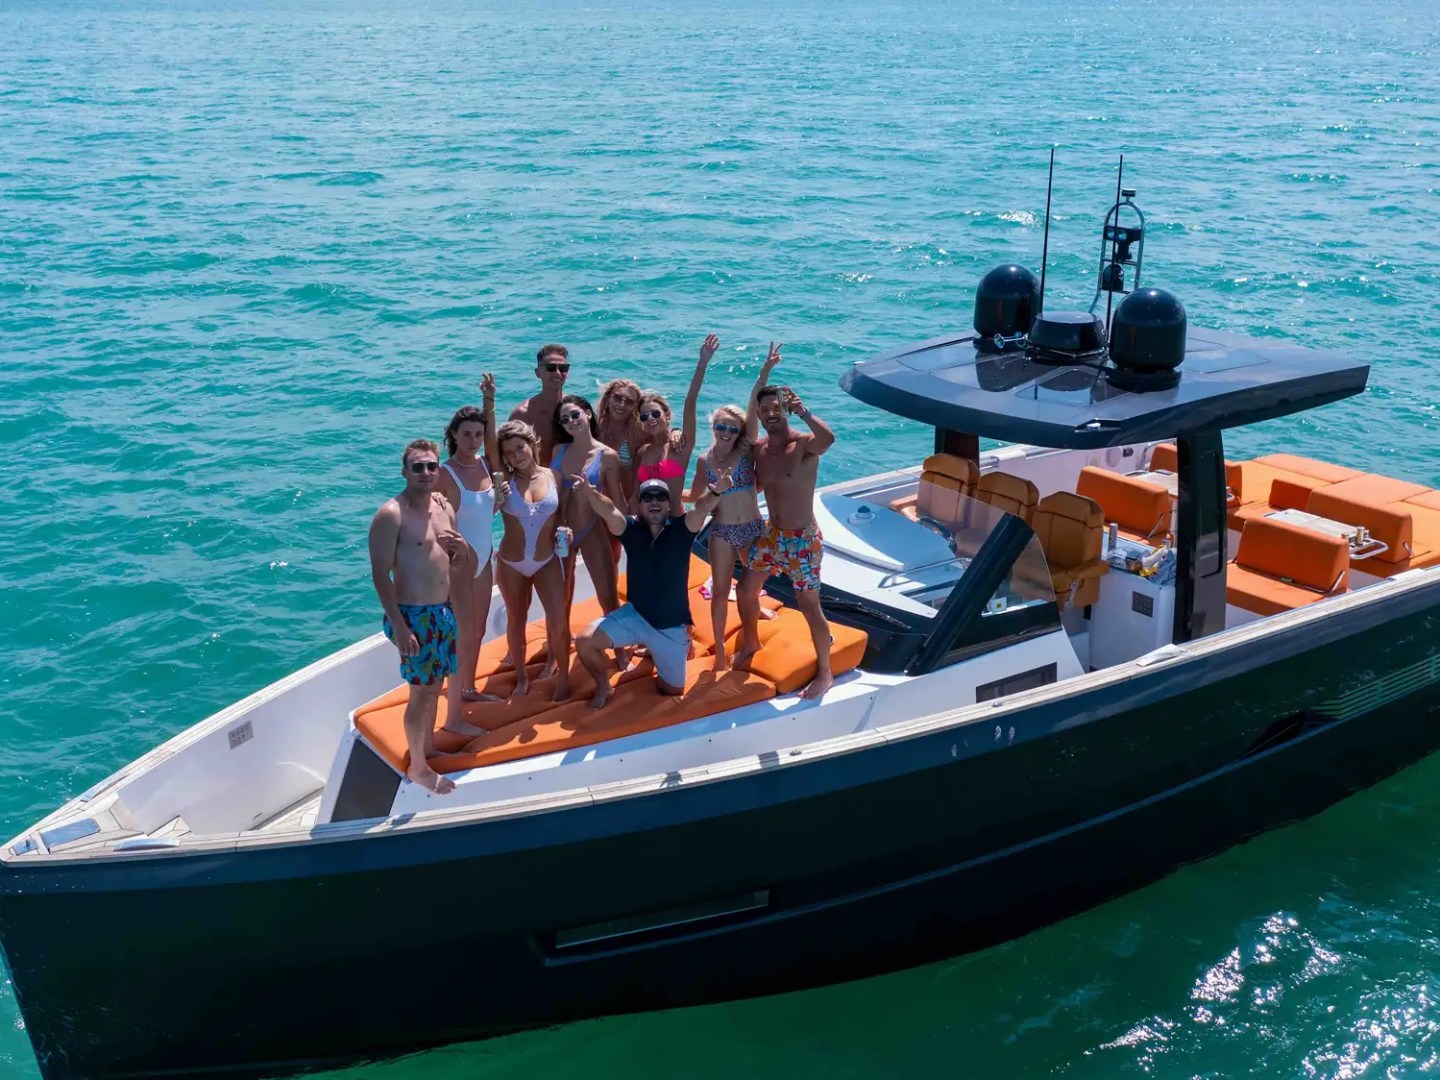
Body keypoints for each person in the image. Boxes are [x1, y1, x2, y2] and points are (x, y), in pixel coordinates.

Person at [572, 473, 735, 709]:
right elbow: (609, 511)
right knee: (585, 642)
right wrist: (590, 493)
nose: (654, 502)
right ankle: (604, 685)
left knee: (673, 691)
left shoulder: (682, 529)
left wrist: (717, 491)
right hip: (636, 617)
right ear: (640, 505)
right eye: (648, 498)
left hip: (670, 627)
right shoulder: (630, 529)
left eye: (660, 497)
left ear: (669, 504)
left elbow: (700, 509)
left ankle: (663, 649)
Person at [367, 439, 473, 794]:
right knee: (421, 693)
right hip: (413, 616)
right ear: (405, 472)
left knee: (436, 685)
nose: (426, 473)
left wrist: (461, 552)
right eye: (418, 467)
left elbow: (454, 561)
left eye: (431, 466)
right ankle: (419, 768)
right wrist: (399, 626)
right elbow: (380, 574)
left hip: (442, 611)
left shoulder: (443, 507)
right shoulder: (391, 515)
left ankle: (426, 747)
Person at [733, 370, 837, 700]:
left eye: (776, 407)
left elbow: (828, 439)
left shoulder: (803, 445)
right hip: (772, 535)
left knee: (809, 604)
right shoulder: (761, 452)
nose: (770, 413)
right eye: (764, 409)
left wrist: (804, 411)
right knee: (746, 588)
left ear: (785, 408)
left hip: (803, 540)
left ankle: (825, 672)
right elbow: (751, 486)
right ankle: (751, 639)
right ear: (760, 414)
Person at [686, 342, 781, 671]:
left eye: (731, 428)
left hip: (754, 529)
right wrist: (709, 490)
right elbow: (698, 500)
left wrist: (766, 370)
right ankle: (722, 655)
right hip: (723, 532)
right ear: (713, 428)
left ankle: (754, 621)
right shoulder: (704, 461)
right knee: (721, 590)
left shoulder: (744, 451)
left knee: (752, 587)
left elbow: (754, 406)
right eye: (720, 427)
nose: (725, 432)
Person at [435, 373, 505, 717]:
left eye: (478, 434)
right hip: (460, 563)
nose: (474, 440)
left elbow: (482, 511)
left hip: (485, 556)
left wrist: (489, 400)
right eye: (467, 435)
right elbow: (434, 519)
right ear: (453, 436)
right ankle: (453, 698)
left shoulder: (484, 464)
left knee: (477, 628)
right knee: (460, 631)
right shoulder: (444, 474)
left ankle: (468, 687)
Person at [495, 419, 571, 701]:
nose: (516, 456)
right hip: (511, 563)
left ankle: (563, 678)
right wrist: (488, 403)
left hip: (546, 560)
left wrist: (566, 528)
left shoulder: (555, 477)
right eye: (509, 454)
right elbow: (490, 451)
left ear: (533, 444)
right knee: (516, 620)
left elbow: (560, 517)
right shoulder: (504, 482)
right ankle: (521, 678)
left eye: (520, 448)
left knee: (558, 621)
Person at [551, 393, 626, 617]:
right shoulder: (558, 450)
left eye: (575, 415)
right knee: (560, 600)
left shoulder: (607, 456)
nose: (571, 421)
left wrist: (630, 533)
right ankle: (558, 649)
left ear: (588, 414)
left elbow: (617, 500)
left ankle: (621, 652)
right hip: (561, 532)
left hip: (591, 529)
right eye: (564, 419)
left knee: (608, 598)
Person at [633, 333, 718, 510]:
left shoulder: (681, 445)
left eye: (655, 414)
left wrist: (702, 363)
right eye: (644, 416)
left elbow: (690, 401)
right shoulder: (642, 451)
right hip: (646, 521)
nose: (650, 419)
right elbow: (636, 494)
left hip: (674, 521)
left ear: (667, 415)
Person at [508, 344, 570, 465]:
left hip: (571, 479)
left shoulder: (576, 409)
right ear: (537, 373)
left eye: (563, 368)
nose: (558, 373)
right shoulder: (523, 414)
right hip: (539, 480)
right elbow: (506, 454)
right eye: (551, 367)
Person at [596, 377, 644, 505]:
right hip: (593, 505)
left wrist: (676, 432)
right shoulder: (593, 429)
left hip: (623, 507)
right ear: (608, 398)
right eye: (617, 398)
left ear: (635, 407)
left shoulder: (637, 433)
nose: (622, 405)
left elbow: (661, 439)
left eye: (629, 402)